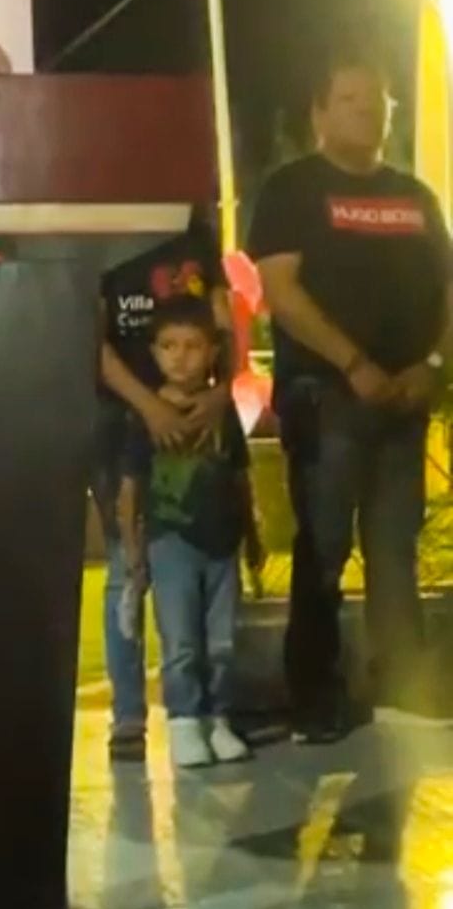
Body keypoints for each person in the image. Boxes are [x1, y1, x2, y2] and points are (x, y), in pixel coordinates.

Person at [249, 44, 453, 741]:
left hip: (405, 398)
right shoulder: (292, 189)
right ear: (319, 112)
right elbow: (281, 291)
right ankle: (314, 691)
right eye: (350, 100)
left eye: (378, 101)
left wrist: (432, 363)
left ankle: (403, 680)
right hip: (327, 397)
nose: (368, 112)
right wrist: (355, 362)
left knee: (395, 545)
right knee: (324, 545)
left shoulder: (416, 196)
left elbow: (448, 290)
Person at [95, 211, 236, 762]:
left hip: (199, 412)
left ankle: (206, 712)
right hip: (124, 417)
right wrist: (148, 405)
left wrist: (222, 391)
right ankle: (130, 714)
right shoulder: (103, 237)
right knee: (126, 569)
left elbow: (224, 325)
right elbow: (94, 342)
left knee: (203, 586)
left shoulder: (194, 237)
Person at [116, 297, 265, 769]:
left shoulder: (223, 415)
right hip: (171, 543)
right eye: (169, 346)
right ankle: (184, 719)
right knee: (180, 640)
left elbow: (240, 476)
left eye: (192, 346)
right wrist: (134, 555)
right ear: (154, 352)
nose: (180, 357)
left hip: (223, 544)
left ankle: (218, 718)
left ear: (212, 352)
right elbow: (129, 490)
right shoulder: (145, 417)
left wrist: (252, 534)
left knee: (221, 641)